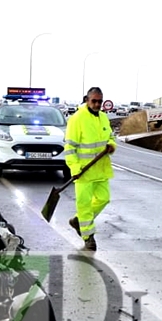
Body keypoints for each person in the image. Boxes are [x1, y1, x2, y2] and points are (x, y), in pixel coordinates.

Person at [63, 87, 115, 251]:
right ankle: (88, 237)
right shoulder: (77, 119)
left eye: (100, 101)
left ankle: (78, 221)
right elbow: (70, 147)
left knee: (104, 198)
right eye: (94, 101)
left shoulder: (104, 118)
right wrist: (75, 167)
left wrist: (111, 145)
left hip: (101, 169)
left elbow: (111, 137)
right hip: (84, 171)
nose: (97, 104)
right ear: (87, 100)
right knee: (84, 204)